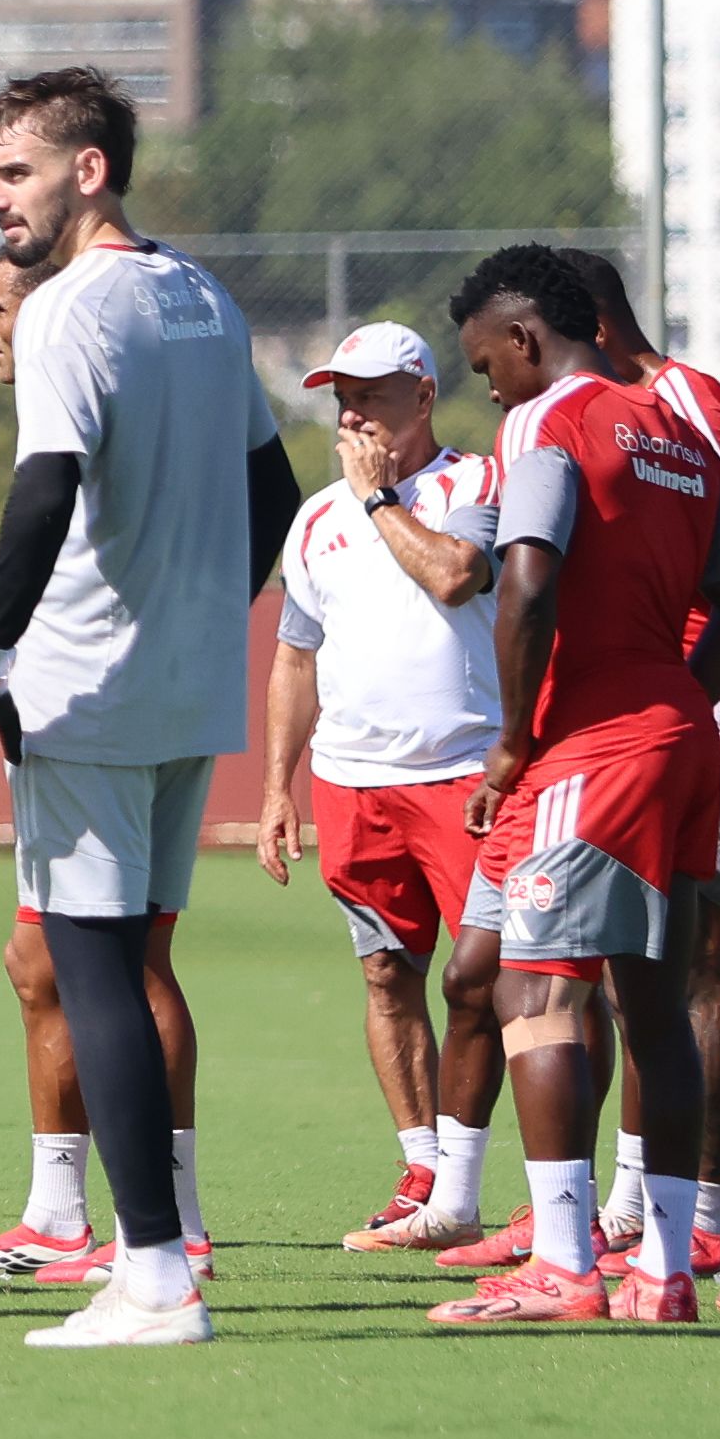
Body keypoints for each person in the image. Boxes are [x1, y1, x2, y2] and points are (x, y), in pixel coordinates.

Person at [0, 69, 299, 1353]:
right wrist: (205, 616)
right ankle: (153, 1253)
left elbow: (43, 490)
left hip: (83, 685)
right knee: (128, 969)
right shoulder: (203, 295)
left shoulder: (67, 308)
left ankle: (153, 1274)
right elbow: (277, 488)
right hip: (189, 692)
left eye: (15, 172)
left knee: (90, 976)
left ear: (90, 169)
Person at [418, 248, 720, 1330]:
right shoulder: (673, 424)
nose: (489, 389)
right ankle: (663, 1273)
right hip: (680, 737)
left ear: (525, 339)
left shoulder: (547, 422)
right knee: (653, 1000)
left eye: (487, 364)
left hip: (590, 749)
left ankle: (565, 1263)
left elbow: (524, 576)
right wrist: (673, 694)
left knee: (538, 991)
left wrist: (518, 739)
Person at [248, 320, 509, 1258]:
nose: (352, 413)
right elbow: (293, 656)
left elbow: (453, 576)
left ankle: (552, 1187)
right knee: (385, 974)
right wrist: (278, 786)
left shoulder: (474, 484)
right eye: (341, 397)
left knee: (498, 981)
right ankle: (426, 1169)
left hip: (462, 776)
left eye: (372, 395)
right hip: (352, 784)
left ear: (424, 396)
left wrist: (378, 498)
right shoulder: (317, 517)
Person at [564, 246, 720, 1275]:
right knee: (622, 964)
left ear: (594, 329)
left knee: (698, 956)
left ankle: (708, 1213)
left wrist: (678, 675)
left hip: (711, 694)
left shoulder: (684, 395)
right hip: (632, 714)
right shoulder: (585, 420)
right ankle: (631, 1202)